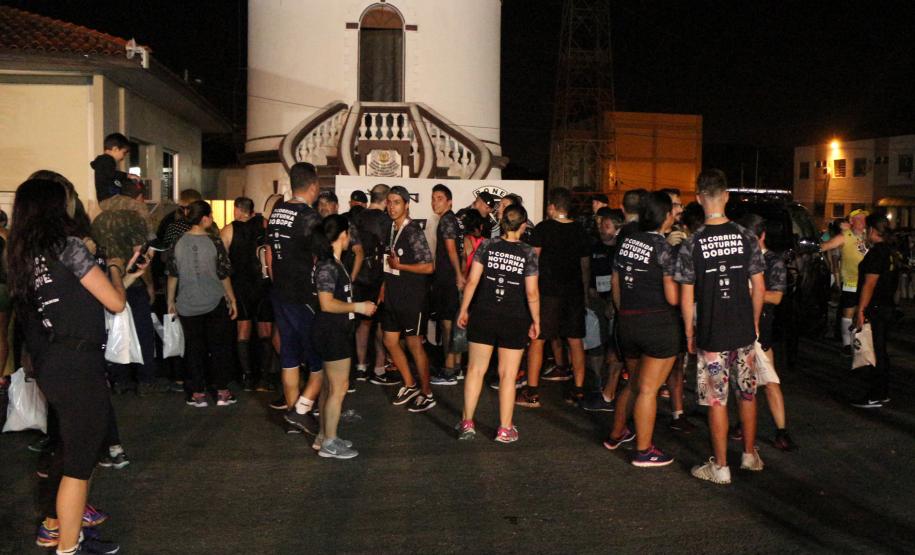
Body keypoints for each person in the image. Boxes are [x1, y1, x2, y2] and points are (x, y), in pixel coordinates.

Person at [10, 177, 134, 554]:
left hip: (55, 361)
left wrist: (125, 275)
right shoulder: (69, 247)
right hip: (78, 363)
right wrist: (114, 267)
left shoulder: (25, 253)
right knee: (79, 462)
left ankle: (69, 534)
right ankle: (68, 546)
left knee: (74, 451)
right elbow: (114, 302)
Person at [675, 169, 766, 485]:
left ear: (700, 199)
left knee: (717, 399)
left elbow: (687, 295)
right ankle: (750, 454)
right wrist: (754, 320)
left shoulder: (692, 243)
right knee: (748, 394)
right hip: (743, 330)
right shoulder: (746, 236)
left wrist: (689, 331)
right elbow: (759, 285)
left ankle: (721, 467)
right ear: (726, 196)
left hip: (712, 333)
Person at [603, 192, 679, 467]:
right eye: (673, 211)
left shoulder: (628, 241)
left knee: (634, 383)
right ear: (666, 216)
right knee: (648, 389)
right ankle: (644, 450)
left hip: (628, 322)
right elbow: (672, 296)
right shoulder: (664, 248)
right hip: (657, 325)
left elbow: (618, 281)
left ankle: (616, 432)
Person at [456, 204, 540, 442]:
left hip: (484, 313)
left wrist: (464, 309)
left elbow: (472, 281)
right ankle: (504, 428)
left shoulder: (487, 245)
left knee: (475, 370)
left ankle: (467, 423)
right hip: (514, 317)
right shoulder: (527, 252)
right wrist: (536, 320)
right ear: (523, 226)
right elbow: (532, 293)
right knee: (508, 374)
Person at [310, 214, 377, 458]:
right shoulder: (328, 265)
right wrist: (359, 307)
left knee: (330, 387)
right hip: (332, 331)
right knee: (339, 387)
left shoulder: (333, 263)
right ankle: (329, 441)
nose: (351, 237)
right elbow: (327, 303)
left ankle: (324, 436)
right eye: (348, 233)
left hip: (333, 330)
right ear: (341, 236)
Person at [518, 187, 590, 408]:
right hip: (574, 292)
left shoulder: (543, 228)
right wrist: (585, 292)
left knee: (538, 338)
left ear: (552, 206)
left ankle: (532, 391)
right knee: (575, 340)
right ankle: (578, 390)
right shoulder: (580, 230)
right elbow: (585, 265)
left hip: (547, 292)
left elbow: (534, 260)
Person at [266, 163, 324, 433]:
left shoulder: (278, 212)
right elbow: (322, 254)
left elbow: (269, 251)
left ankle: (292, 417)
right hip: (303, 295)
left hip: (280, 292)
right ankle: (302, 410)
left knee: (289, 355)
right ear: (313, 186)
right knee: (318, 360)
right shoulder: (309, 217)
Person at [167, 200, 238, 407]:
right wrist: (232, 299)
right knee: (219, 347)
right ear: (205, 218)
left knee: (193, 348)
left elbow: (173, 274)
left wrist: (171, 300)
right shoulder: (215, 242)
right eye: (211, 216)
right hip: (214, 301)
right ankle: (222, 391)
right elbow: (223, 274)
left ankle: (197, 393)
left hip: (187, 303)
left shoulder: (178, 241)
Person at [738, 214, 797, 450]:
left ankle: (781, 431)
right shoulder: (739, 259)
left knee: (770, 381)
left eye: (749, 238)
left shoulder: (773, 261)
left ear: (761, 236)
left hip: (762, 328)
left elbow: (776, 296)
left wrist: (748, 290)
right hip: (740, 325)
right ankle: (740, 424)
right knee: (742, 381)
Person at [382, 186, 436, 411]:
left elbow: (429, 267)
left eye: (396, 202)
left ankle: (428, 393)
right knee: (389, 341)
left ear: (406, 205)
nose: (391, 206)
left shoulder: (412, 230)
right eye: (389, 202)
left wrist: (401, 265)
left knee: (414, 344)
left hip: (412, 297)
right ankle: (410, 383)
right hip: (394, 294)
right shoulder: (391, 228)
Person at [851, 213, 902, 409]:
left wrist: (861, 309)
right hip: (887, 306)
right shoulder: (890, 252)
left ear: (873, 230)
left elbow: (869, 284)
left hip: (876, 308)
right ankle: (883, 391)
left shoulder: (876, 253)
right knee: (881, 350)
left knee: (874, 352)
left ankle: (875, 394)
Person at [220, 197, 266, 391]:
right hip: (262, 285)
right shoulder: (263, 227)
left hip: (240, 285)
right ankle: (264, 376)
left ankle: (246, 375)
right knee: (265, 331)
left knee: (243, 332)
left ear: (237, 210)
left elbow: (221, 262)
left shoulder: (229, 230)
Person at [353, 184, 397, 386]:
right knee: (381, 323)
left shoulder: (357, 217)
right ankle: (379, 369)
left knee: (363, 322)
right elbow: (389, 252)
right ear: (386, 199)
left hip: (359, 277)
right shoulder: (387, 221)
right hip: (379, 277)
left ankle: (361, 367)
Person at [581, 208, 624, 412]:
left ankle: (612, 387)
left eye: (606, 226)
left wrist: (613, 302)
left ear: (617, 228)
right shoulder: (594, 246)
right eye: (600, 225)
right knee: (595, 343)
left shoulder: (622, 249)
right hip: (596, 300)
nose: (601, 229)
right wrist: (588, 289)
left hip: (615, 303)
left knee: (613, 347)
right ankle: (597, 383)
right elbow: (587, 269)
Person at [429, 184, 466, 385]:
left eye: (440, 198)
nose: (435, 202)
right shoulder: (456, 221)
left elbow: (452, 251)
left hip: (447, 279)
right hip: (451, 278)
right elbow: (462, 251)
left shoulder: (446, 221)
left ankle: (449, 370)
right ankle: (457, 367)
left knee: (447, 325)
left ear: (450, 201)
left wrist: (459, 275)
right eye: (433, 198)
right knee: (454, 325)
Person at [821, 209, 869, 356]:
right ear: (851, 221)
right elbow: (825, 246)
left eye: (864, 218)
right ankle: (847, 344)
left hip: (868, 281)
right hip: (850, 281)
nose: (862, 221)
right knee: (848, 311)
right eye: (858, 218)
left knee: (866, 312)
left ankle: (864, 343)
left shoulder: (870, 236)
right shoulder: (845, 236)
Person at [90, 133, 131, 203]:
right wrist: (127, 175)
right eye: (123, 153)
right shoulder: (107, 159)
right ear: (115, 149)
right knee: (138, 206)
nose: (123, 157)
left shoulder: (104, 162)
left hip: (106, 199)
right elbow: (111, 174)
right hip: (109, 199)